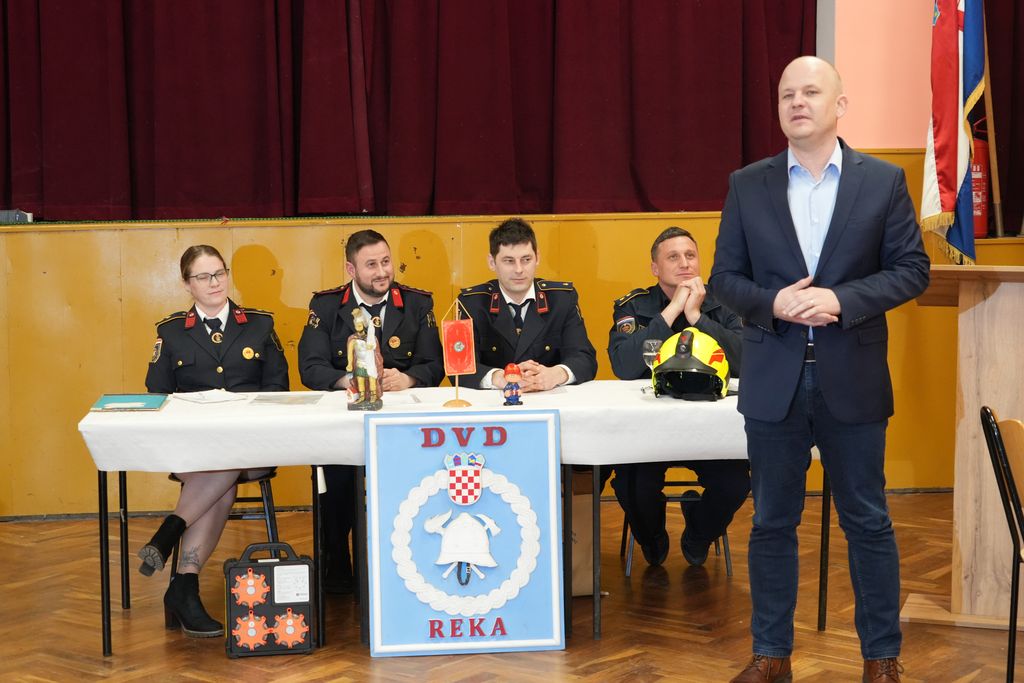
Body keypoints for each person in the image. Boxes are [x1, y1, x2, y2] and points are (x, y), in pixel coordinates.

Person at [709, 57, 929, 683]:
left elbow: (912, 269)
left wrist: (841, 298)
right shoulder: (747, 184)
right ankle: (770, 656)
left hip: (852, 379)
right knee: (771, 523)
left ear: (840, 105)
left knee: (868, 522)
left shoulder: (882, 181)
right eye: (787, 94)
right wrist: (773, 303)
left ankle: (881, 659)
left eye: (810, 92)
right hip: (772, 380)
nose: (797, 102)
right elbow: (725, 278)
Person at [141, 244, 289, 638]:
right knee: (221, 483)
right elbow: (158, 393)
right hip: (196, 449)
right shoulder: (171, 332)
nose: (214, 282)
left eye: (219, 273)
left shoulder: (259, 325)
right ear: (186, 284)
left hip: (253, 447)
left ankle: (171, 532)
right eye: (203, 276)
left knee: (226, 459)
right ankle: (183, 586)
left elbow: (278, 387)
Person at [298, 229, 444, 593]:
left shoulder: (417, 304)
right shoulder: (326, 307)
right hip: (346, 423)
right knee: (335, 482)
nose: (382, 272)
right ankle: (337, 564)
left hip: (402, 426)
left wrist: (408, 378)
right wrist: (350, 379)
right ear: (351, 269)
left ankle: (402, 565)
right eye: (371, 265)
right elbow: (310, 368)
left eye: (386, 262)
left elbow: (435, 364)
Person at [607, 227, 749, 568]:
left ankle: (698, 534)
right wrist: (670, 312)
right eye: (673, 257)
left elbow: (747, 360)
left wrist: (697, 317)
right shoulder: (633, 306)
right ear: (655, 268)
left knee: (734, 484)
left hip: (710, 429)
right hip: (647, 429)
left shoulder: (725, 303)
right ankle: (653, 538)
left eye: (690, 255)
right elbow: (624, 366)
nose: (684, 263)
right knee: (632, 487)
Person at [457, 217, 598, 391]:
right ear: (492, 262)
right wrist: (497, 377)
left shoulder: (561, 299)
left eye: (526, 259)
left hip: (549, 398)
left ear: (537, 258)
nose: (519, 269)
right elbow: (458, 366)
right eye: (509, 261)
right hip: (495, 402)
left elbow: (585, 358)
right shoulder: (471, 303)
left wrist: (556, 374)